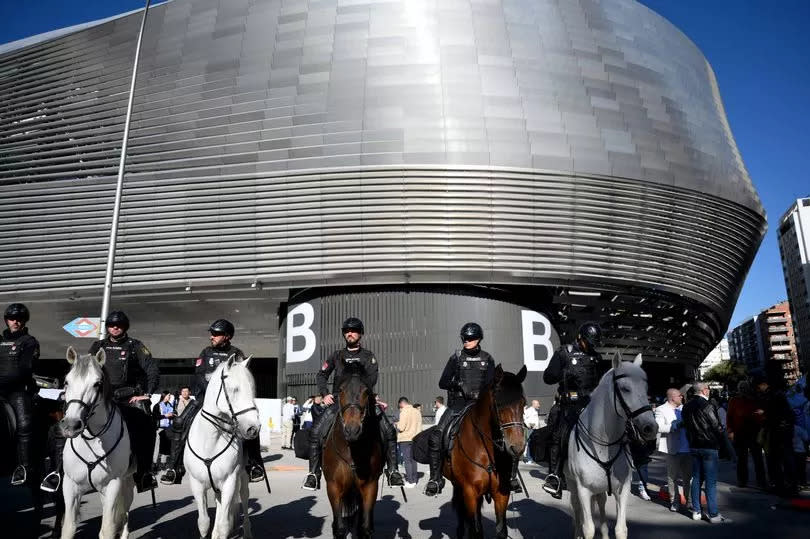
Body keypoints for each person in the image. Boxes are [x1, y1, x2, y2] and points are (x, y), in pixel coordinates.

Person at [55, 310, 160, 493]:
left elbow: (152, 369)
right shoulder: (97, 345)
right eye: (111, 325)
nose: (115, 327)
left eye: (118, 325)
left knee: (146, 424)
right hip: (100, 396)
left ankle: (144, 473)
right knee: (66, 420)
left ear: (125, 327)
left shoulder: (135, 346)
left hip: (129, 397)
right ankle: (56, 471)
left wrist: (147, 393)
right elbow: (85, 370)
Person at [302, 317, 404, 490]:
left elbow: (372, 378)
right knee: (316, 432)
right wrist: (325, 394)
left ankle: (393, 471)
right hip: (339, 403)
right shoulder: (336, 355)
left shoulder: (368, 356)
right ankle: (313, 473)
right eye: (347, 331)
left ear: (360, 334)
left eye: (354, 331)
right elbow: (321, 375)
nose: (350, 333)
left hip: (363, 403)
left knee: (388, 430)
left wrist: (367, 396)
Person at [161, 319, 265, 485]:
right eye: (212, 333)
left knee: (251, 425)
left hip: (231, 401)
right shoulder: (206, 352)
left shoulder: (237, 354)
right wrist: (213, 390)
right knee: (180, 422)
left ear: (227, 336)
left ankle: (254, 464)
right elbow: (199, 375)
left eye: (216, 334)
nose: (212, 337)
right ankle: (174, 467)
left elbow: (242, 378)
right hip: (206, 399)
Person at [425, 322, 508, 496]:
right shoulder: (456, 357)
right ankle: (435, 478)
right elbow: (443, 382)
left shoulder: (488, 358)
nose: (466, 341)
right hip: (459, 404)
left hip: (481, 406)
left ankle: (509, 476)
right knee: (436, 435)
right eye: (464, 338)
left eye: (470, 339)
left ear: (478, 339)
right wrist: (457, 383)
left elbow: (492, 384)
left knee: (505, 432)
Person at [542, 322, 606, 498]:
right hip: (569, 405)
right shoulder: (564, 352)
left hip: (592, 405)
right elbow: (547, 377)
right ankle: (554, 476)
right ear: (580, 338)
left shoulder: (596, 358)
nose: (591, 347)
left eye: (593, 344)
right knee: (558, 435)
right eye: (588, 343)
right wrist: (562, 373)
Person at [0, 303, 40, 486]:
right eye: (11, 318)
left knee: (24, 424)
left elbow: (25, 369)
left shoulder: (29, 341)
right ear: (6, 320)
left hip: (16, 390)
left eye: (19, 319)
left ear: (24, 321)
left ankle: (23, 467)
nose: (15, 322)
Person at [683, 382, 731, 523]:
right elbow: (716, 426)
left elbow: (686, 426)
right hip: (709, 446)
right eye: (708, 389)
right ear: (704, 390)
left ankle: (697, 511)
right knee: (710, 482)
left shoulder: (686, 406)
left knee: (696, 479)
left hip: (694, 446)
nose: (709, 391)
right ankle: (713, 514)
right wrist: (724, 444)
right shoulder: (708, 405)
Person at [726, 379, 767, 489]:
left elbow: (760, 415)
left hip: (753, 432)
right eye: (741, 388)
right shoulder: (734, 400)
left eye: (745, 388)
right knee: (741, 459)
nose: (743, 390)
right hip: (740, 433)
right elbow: (729, 416)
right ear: (739, 390)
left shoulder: (754, 399)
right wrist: (730, 431)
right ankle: (742, 481)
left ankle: (761, 481)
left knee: (757, 458)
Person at [655, 388, 691, 511]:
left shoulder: (685, 408)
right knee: (672, 478)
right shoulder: (661, 409)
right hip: (672, 449)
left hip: (688, 449)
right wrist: (674, 425)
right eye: (680, 396)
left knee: (688, 478)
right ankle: (674, 502)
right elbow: (658, 427)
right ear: (672, 398)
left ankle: (689, 501)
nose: (682, 397)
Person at [396, 396, 422, 488]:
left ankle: (410, 481)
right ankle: (414, 479)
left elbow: (401, 427)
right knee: (414, 460)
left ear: (401, 403)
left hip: (405, 438)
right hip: (416, 438)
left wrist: (396, 424)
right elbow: (419, 426)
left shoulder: (404, 411)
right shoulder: (417, 411)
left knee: (407, 461)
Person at [523, 399, 542, 463]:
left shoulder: (535, 410)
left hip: (535, 429)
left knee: (533, 444)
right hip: (531, 429)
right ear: (533, 404)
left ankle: (531, 457)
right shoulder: (529, 410)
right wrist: (528, 425)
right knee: (530, 443)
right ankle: (529, 459)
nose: (539, 405)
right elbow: (524, 417)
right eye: (537, 404)